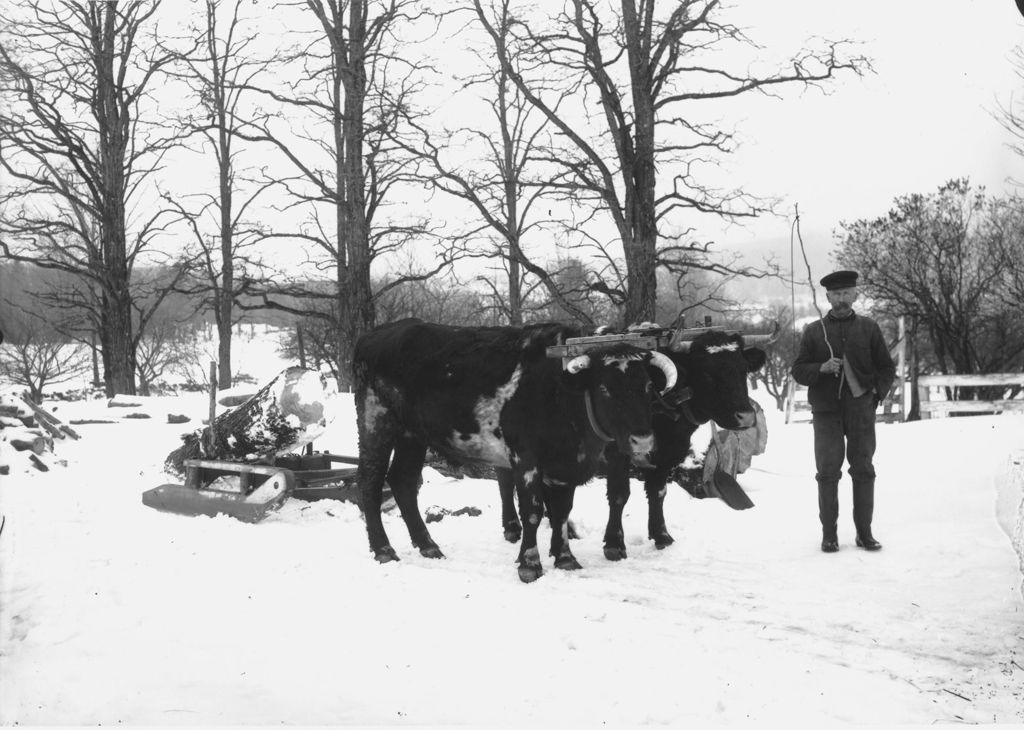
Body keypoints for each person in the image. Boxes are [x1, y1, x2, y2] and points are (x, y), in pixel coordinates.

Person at [791, 270, 896, 553]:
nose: (842, 299)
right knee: (827, 472)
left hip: (861, 409)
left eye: (847, 293)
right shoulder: (814, 331)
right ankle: (829, 535)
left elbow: (887, 368)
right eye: (836, 294)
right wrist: (820, 368)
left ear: (855, 295)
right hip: (826, 411)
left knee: (863, 469)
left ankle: (865, 533)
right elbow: (798, 369)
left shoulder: (869, 328)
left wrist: (875, 393)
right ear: (828, 297)